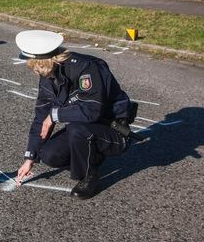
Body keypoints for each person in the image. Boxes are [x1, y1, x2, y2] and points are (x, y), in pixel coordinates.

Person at [15, 30, 135, 199]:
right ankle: (90, 157)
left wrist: (55, 115)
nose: (34, 70)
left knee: (77, 129)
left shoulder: (85, 68)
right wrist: (30, 157)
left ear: (44, 61)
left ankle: (88, 176)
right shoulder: (48, 75)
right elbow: (41, 116)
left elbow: (92, 111)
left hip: (112, 129)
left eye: (35, 65)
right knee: (49, 154)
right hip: (85, 128)